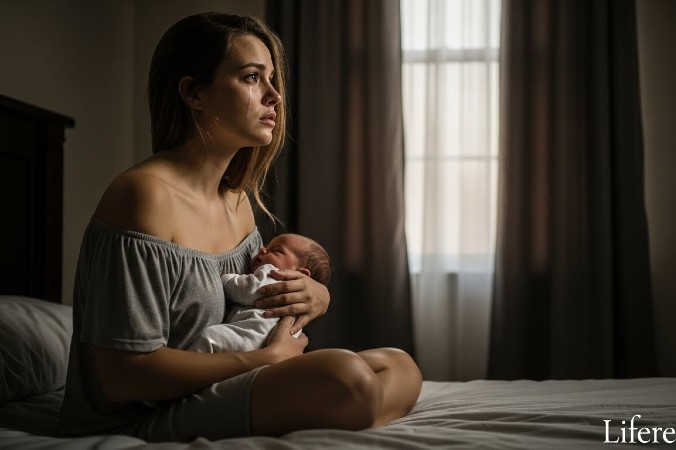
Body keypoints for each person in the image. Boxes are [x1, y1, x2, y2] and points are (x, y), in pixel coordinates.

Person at [59, 11, 422, 442]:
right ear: (194, 92)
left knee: (401, 364)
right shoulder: (143, 195)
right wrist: (266, 361)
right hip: (139, 415)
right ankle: (352, 406)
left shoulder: (237, 200)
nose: (274, 96)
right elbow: (125, 378)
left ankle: (353, 408)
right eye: (252, 77)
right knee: (346, 376)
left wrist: (315, 296)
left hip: (217, 386)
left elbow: (253, 298)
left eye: (272, 80)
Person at [187, 233, 332, 354]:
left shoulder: (274, 275)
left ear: (300, 274)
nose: (262, 249)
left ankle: (189, 369)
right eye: (267, 246)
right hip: (274, 346)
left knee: (210, 337)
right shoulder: (300, 302)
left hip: (250, 338)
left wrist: (226, 279)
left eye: (276, 250)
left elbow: (247, 290)